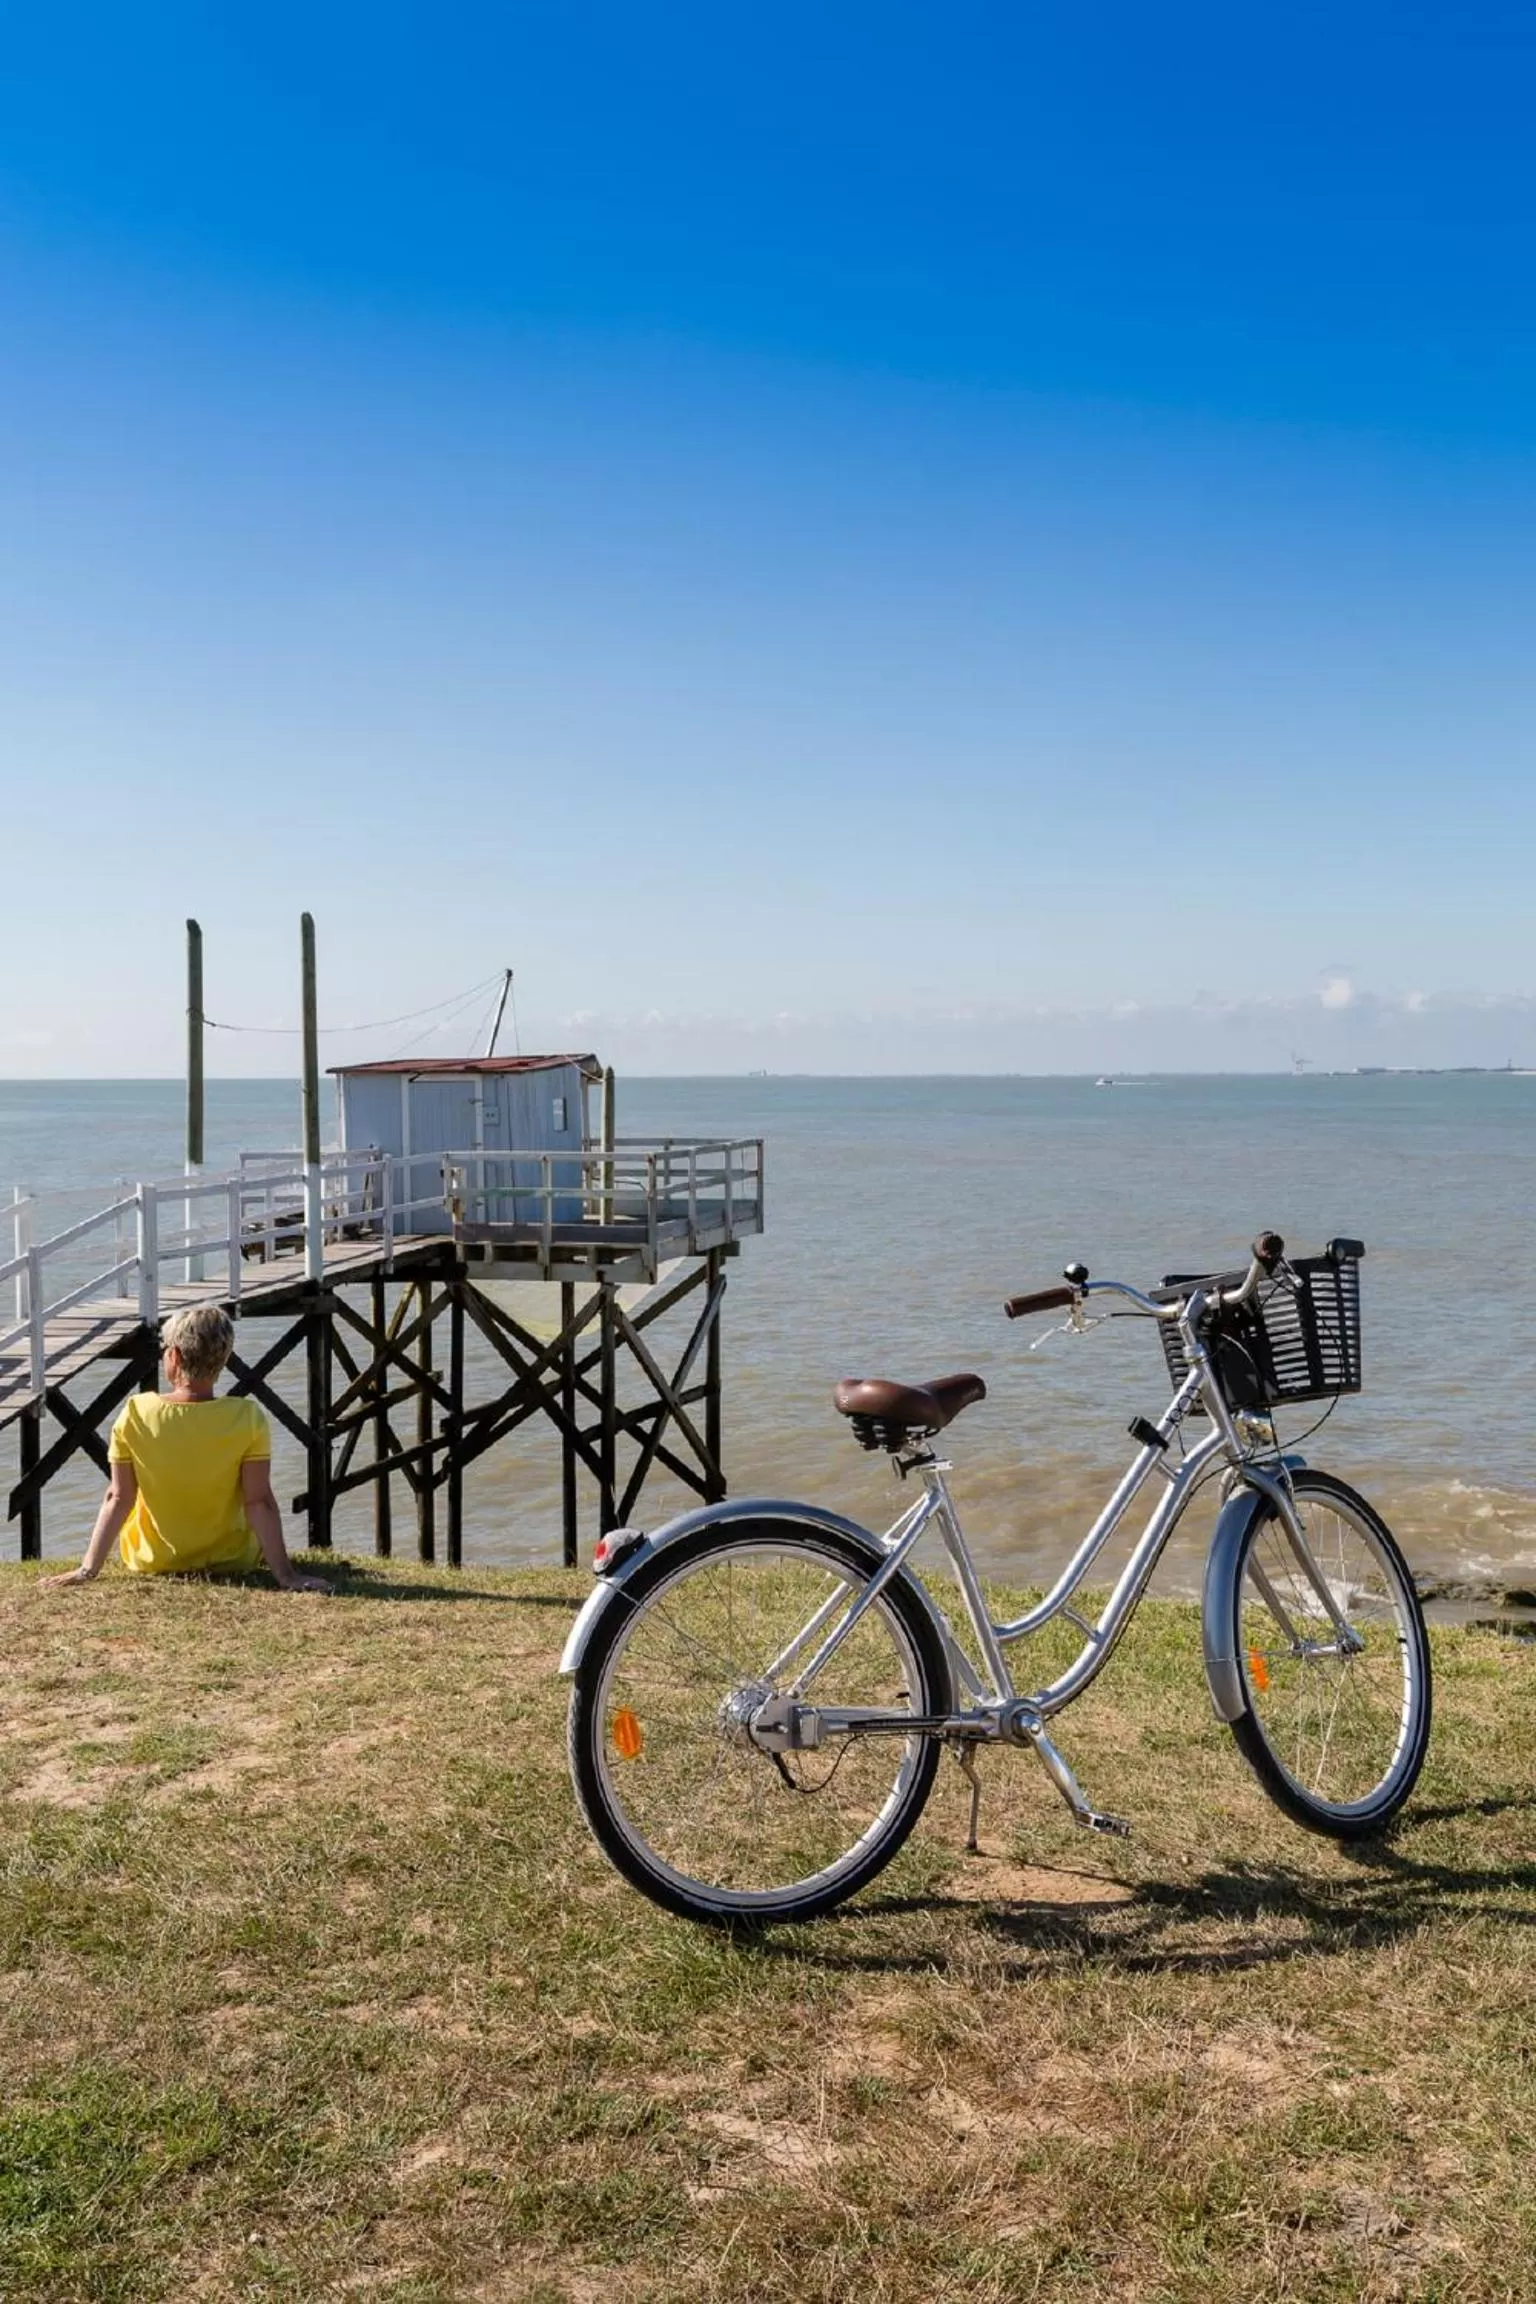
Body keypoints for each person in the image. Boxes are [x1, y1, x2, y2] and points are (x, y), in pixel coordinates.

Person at [46, 1303, 330, 1593]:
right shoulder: (247, 1417)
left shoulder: (136, 1412)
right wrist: (286, 1575)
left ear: (175, 1355)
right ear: (225, 1357)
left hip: (153, 1559)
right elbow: (259, 1502)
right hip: (231, 1558)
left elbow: (119, 1497)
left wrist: (87, 1569)